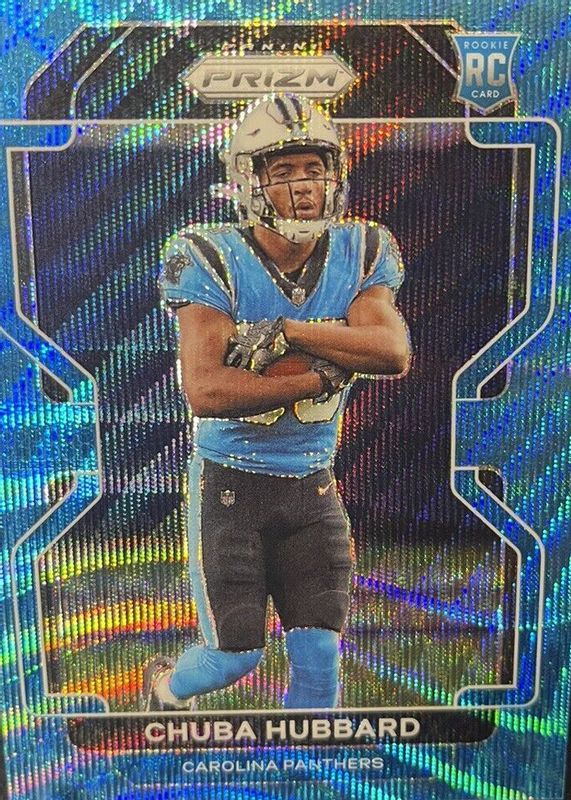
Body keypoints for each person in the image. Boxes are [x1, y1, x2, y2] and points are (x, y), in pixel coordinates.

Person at [142, 93, 410, 712]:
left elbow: (392, 351)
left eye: (314, 168)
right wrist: (317, 378)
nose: (304, 186)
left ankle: (304, 764)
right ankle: (163, 688)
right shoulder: (209, 253)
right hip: (231, 485)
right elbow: (206, 391)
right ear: (249, 182)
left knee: (319, 662)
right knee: (233, 657)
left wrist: (289, 332)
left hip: (312, 483)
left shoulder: (362, 247)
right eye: (283, 170)